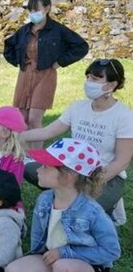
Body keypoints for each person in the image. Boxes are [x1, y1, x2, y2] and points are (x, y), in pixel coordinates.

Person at [5, 138, 121, 272]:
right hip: (56, 262)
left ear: (67, 177)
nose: (38, 169)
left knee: (63, 269)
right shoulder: (44, 199)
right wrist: (42, 256)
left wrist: (64, 252)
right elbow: (39, 240)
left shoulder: (92, 212)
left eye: (46, 166)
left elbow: (111, 251)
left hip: (90, 270)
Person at [21, 59, 133, 216]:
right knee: (26, 168)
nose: (88, 82)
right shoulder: (78, 107)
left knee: (84, 209)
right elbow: (47, 132)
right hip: (73, 170)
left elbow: (121, 162)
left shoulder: (124, 116)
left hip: (105, 176)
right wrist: (17, 137)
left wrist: (91, 184)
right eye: (87, 77)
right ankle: (65, 194)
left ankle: (91, 204)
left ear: (111, 85)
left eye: (95, 79)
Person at [3, 0, 89, 147]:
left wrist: (60, 62)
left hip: (45, 75)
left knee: (35, 119)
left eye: (37, 9)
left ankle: (35, 157)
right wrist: (17, 61)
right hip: (25, 74)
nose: (33, 13)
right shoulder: (25, 31)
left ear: (47, 8)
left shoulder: (57, 30)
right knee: (22, 118)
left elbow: (81, 46)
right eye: (30, 10)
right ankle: (21, 154)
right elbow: (9, 45)